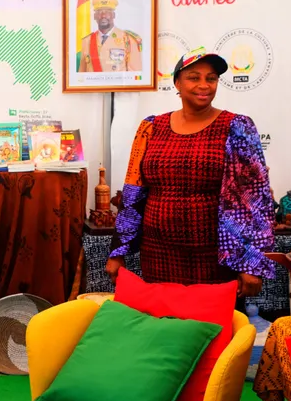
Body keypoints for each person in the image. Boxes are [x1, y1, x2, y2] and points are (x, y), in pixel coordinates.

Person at [106, 49, 276, 297]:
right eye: (194, 77)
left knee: (211, 330)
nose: (204, 85)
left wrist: (251, 262)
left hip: (214, 255)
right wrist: (118, 251)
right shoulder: (151, 127)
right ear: (177, 82)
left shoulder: (237, 127)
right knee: (162, 325)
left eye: (211, 78)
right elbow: (134, 192)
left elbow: (254, 200)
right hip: (157, 253)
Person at [77, 0, 142, 73]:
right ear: (94, 16)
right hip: (94, 85)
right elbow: (81, 77)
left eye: (107, 11)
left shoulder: (128, 40)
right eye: (99, 11)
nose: (103, 15)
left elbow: (136, 77)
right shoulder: (87, 41)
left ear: (113, 15)